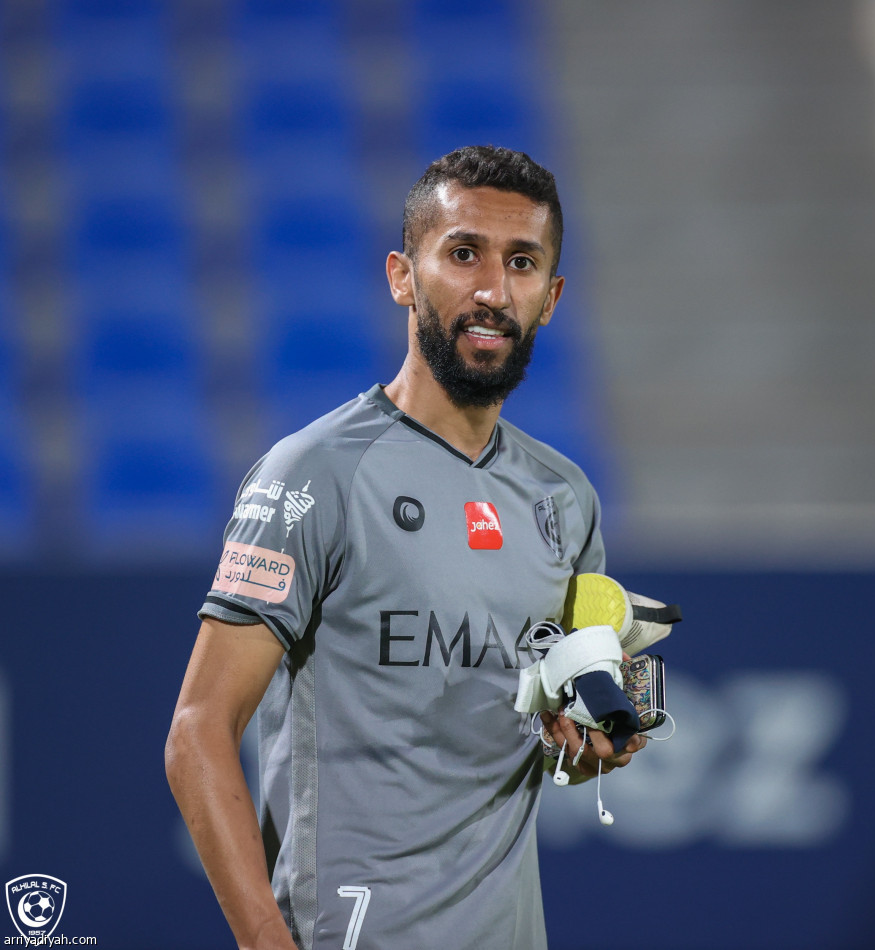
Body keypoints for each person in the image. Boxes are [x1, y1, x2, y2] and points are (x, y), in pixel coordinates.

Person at [165, 145, 647, 950]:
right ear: (401, 275)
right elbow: (198, 731)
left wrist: (588, 749)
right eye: (464, 254)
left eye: (521, 263)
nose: (493, 290)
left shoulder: (566, 499)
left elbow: (546, 746)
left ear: (551, 297)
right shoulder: (314, 476)